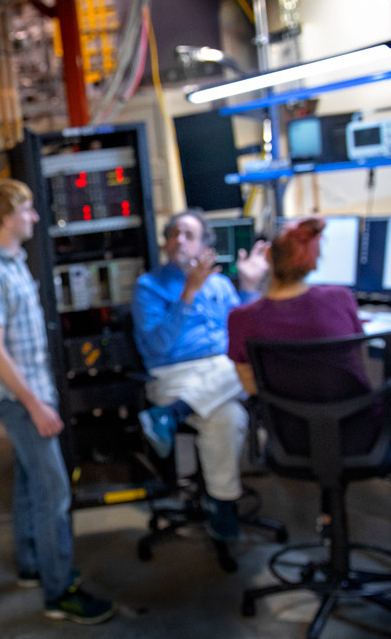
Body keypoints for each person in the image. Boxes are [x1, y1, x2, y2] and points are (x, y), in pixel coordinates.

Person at [0, 178, 115, 625]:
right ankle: (60, 591)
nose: (34, 217)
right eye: (28, 210)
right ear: (8, 216)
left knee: (31, 484)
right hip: (19, 399)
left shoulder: (13, 263)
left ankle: (34, 566)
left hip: (32, 393)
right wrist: (34, 403)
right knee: (54, 490)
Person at [131, 208, 270, 542]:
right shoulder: (148, 286)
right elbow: (158, 345)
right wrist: (189, 293)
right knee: (232, 401)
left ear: (204, 246)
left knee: (236, 387)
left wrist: (250, 285)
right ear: (165, 243)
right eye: (174, 234)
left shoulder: (221, 285)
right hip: (175, 373)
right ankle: (222, 505)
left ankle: (171, 416)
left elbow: (247, 333)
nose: (179, 240)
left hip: (222, 371)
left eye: (189, 235)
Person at [227, 216, 378, 452]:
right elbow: (356, 365)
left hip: (288, 438)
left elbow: (251, 388)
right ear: (312, 263)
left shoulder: (240, 318)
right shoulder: (340, 298)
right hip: (358, 433)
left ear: (268, 257)